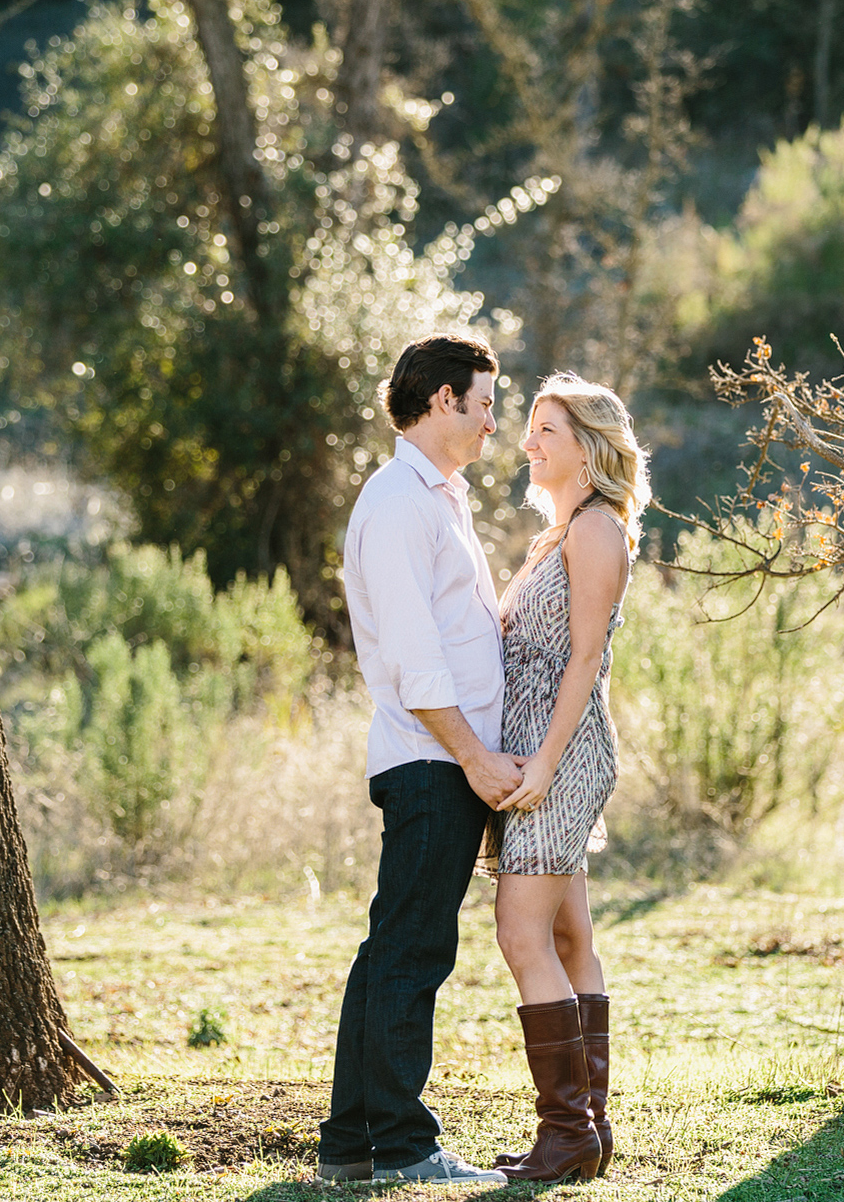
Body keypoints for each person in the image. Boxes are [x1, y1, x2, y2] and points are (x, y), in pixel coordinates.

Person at [317, 331, 523, 1186]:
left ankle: (352, 1146)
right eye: (482, 406)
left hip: (443, 761)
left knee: (392, 948)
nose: (491, 426)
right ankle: (402, 1146)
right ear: (442, 400)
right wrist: (475, 760)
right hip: (434, 762)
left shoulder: (440, 498)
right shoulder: (400, 501)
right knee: (412, 953)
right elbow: (413, 659)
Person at [486, 373, 650, 1183]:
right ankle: (588, 1125)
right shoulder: (558, 534)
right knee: (566, 935)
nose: (528, 442)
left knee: (520, 933)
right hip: (540, 755)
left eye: (545, 429)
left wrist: (545, 765)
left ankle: (567, 1131)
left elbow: (585, 658)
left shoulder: (595, 531)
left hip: (561, 757)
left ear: (587, 447)